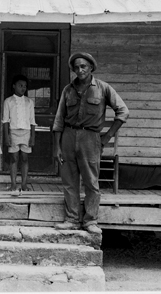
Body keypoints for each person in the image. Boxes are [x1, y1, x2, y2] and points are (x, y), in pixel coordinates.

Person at [52, 52, 129, 234]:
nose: (80, 70)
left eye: (83, 66)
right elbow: (58, 120)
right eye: (76, 67)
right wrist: (57, 147)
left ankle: (90, 221)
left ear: (91, 68)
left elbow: (123, 111)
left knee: (91, 181)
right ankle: (71, 219)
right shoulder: (68, 90)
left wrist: (107, 136)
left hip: (90, 139)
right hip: (68, 137)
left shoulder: (103, 88)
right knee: (69, 181)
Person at [2, 74, 36, 191]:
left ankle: (24, 184)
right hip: (13, 132)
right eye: (20, 85)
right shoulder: (8, 101)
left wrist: (33, 136)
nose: (23, 88)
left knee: (25, 158)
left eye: (25, 86)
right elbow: (5, 121)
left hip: (26, 132)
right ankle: (13, 184)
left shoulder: (29, 102)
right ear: (14, 86)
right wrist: (6, 136)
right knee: (14, 158)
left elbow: (32, 121)